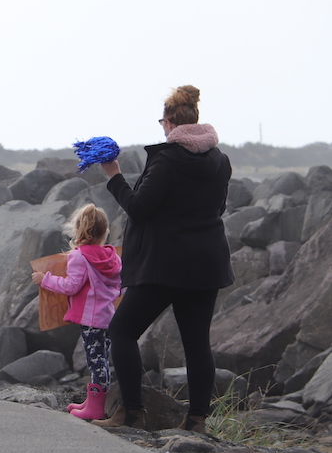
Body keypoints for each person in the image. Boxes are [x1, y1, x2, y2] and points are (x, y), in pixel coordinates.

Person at [94, 85, 234, 433]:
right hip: (207, 264)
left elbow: (139, 208)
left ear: (170, 123)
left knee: (122, 331)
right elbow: (219, 209)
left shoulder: (168, 159)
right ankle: (196, 421)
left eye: (162, 122)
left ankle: (131, 413)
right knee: (197, 341)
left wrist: (114, 176)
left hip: (164, 265)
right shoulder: (220, 161)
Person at [31, 203, 122, 420]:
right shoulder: (112, 256)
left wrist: (46, 280)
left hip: (91, 319)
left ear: (78, 230)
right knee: (100, 357)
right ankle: (93, 401)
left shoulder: (79, 257)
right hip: (107, 315)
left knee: (95, 360)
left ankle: (97, 407)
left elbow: (71, 286)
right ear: (104, 231)